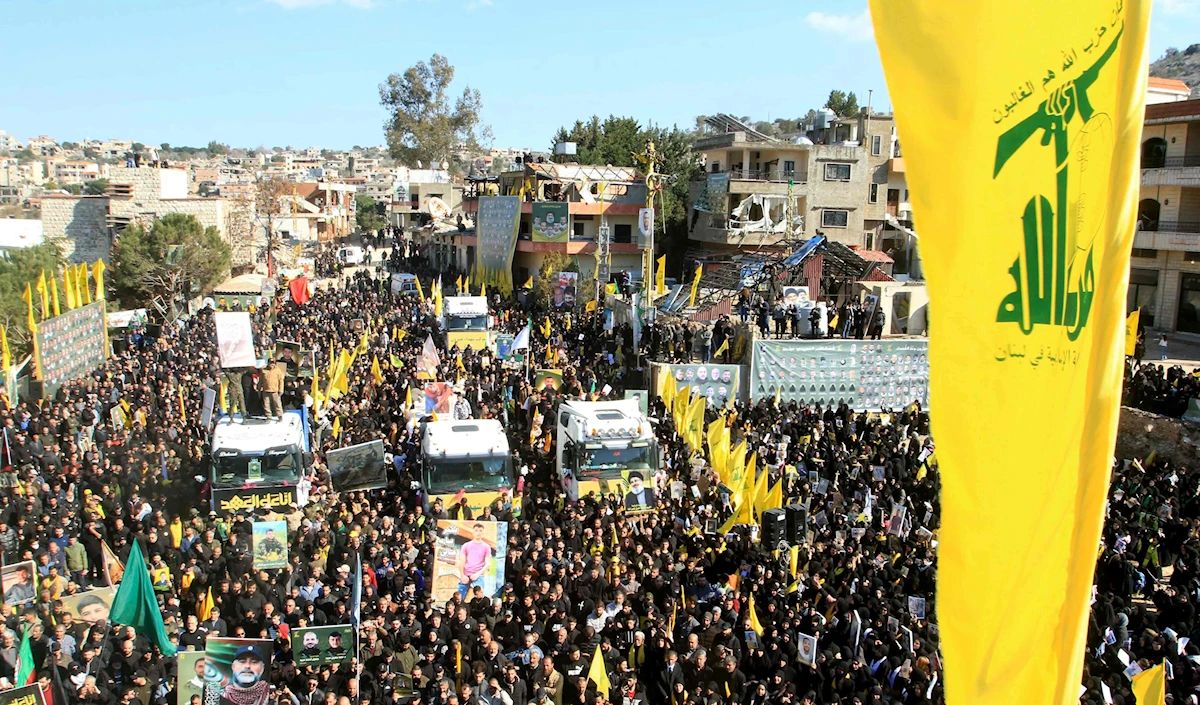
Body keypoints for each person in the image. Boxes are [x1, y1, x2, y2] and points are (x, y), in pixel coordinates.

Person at [455, 523, 493, 599]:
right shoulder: (466, 545)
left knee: (479, 597)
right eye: (476, 530)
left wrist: (477, 574)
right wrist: (462, 575)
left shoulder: (486, 547)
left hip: (478, 575)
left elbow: (487, 563)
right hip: (466, 574)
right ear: (473, 532)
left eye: (480, 531)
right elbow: (461, 561)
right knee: (458, 596)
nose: (478, 533)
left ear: (483, 533)